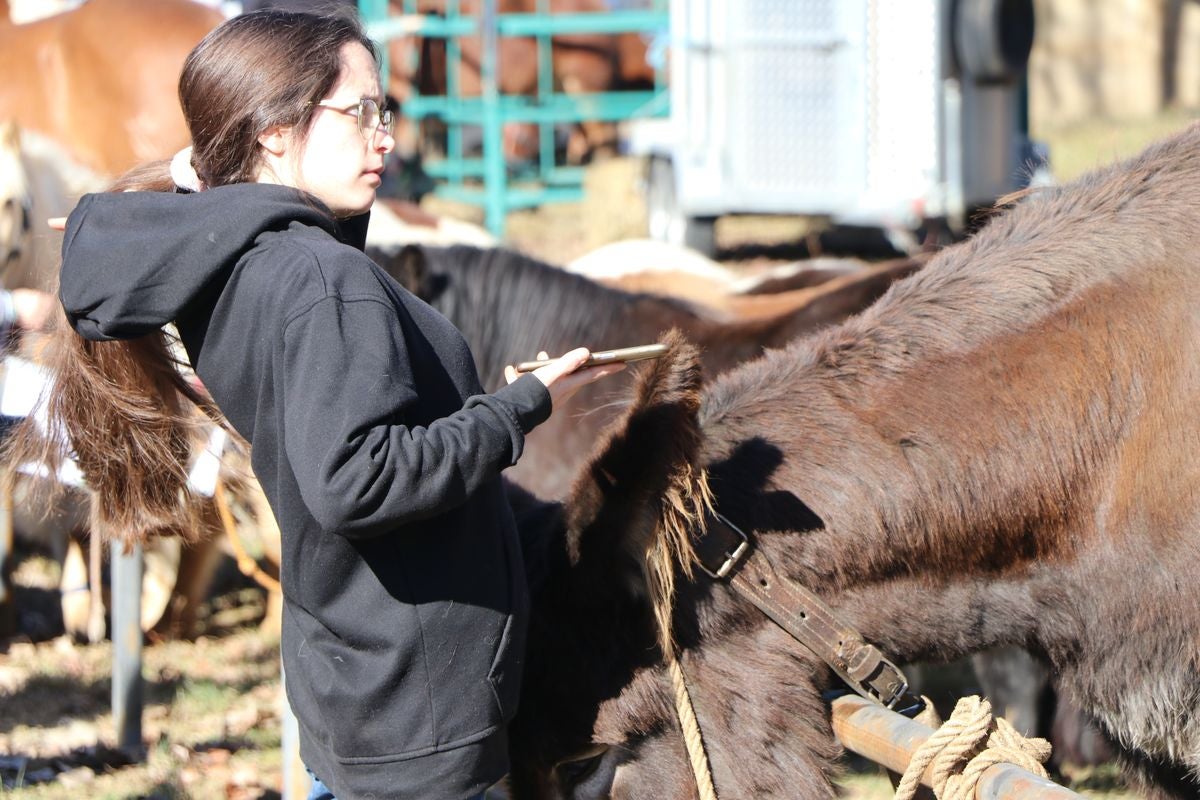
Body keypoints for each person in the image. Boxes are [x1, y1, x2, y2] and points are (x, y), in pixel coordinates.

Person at [8, 10, 622, 799]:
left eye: (385, 111)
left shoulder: (241, 257)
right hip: (417, 706)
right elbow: (356, 481)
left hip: (360, 673)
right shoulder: (325, 284)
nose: (385, 136)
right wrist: (515, 409)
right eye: (358, 111)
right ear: (270, 133)